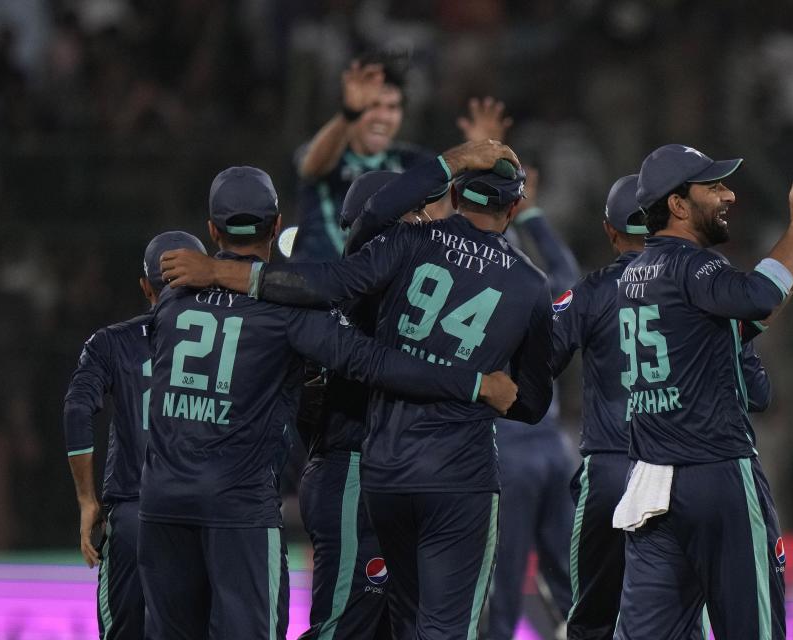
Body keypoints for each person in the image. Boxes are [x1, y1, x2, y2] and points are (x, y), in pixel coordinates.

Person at [159, 150, 554, 640]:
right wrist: (476, 385)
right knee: (354, 627)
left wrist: (453, 161)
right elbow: (524, 399)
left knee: (388, 625)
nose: (422, 217)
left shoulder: (388, 260)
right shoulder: (490, 275)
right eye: (414, 213)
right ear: (514, 209)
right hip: (371, 469)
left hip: (372, 470)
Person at [611, 145, 793, 639]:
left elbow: (714, 334)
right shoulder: (694, 267)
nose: (728, 194)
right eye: (712, 186)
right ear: (677, 205)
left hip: (652, 482)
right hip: (717, 473)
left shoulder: (633, 276)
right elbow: (753, 295)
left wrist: (788, 285)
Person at [294, 140, 509, 640]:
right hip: (350, 468)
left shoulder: (395, 287)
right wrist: (450, 162)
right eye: (414, 216)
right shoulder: (362, 283)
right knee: (343, 627)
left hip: (387, 471)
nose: (423, 226)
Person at [550, 175, 772, 640]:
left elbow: (541, 360)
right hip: (682, 468)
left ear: (611, 231)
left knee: (595, 620)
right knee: (687, 616)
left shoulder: (592, 292)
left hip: (611, 472)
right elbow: (757, 394)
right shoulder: (701, 287)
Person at [62, 230, 207, 640]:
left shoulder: (111, 342)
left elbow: (76, 409)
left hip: (135, 515)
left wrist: (86, 499)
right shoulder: (236, 339)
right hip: (205, 514)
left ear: (146, 287)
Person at [288, 48, 510, 261]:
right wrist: (349, 114)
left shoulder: (413, 162)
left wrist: (479, 162)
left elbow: (441, 216)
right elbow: (310, 167)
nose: (382, 117)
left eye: (392, 107)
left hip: (371, 295)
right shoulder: (326, 152)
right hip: (313, 289)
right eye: (373, 105)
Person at [487, 166, 578, 640]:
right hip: (554, 449)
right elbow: (568, 273)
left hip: (507, 454)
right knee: (569, 584)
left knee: (500, 586)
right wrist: (535, 214)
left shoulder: (478, 286)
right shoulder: (541, 286)